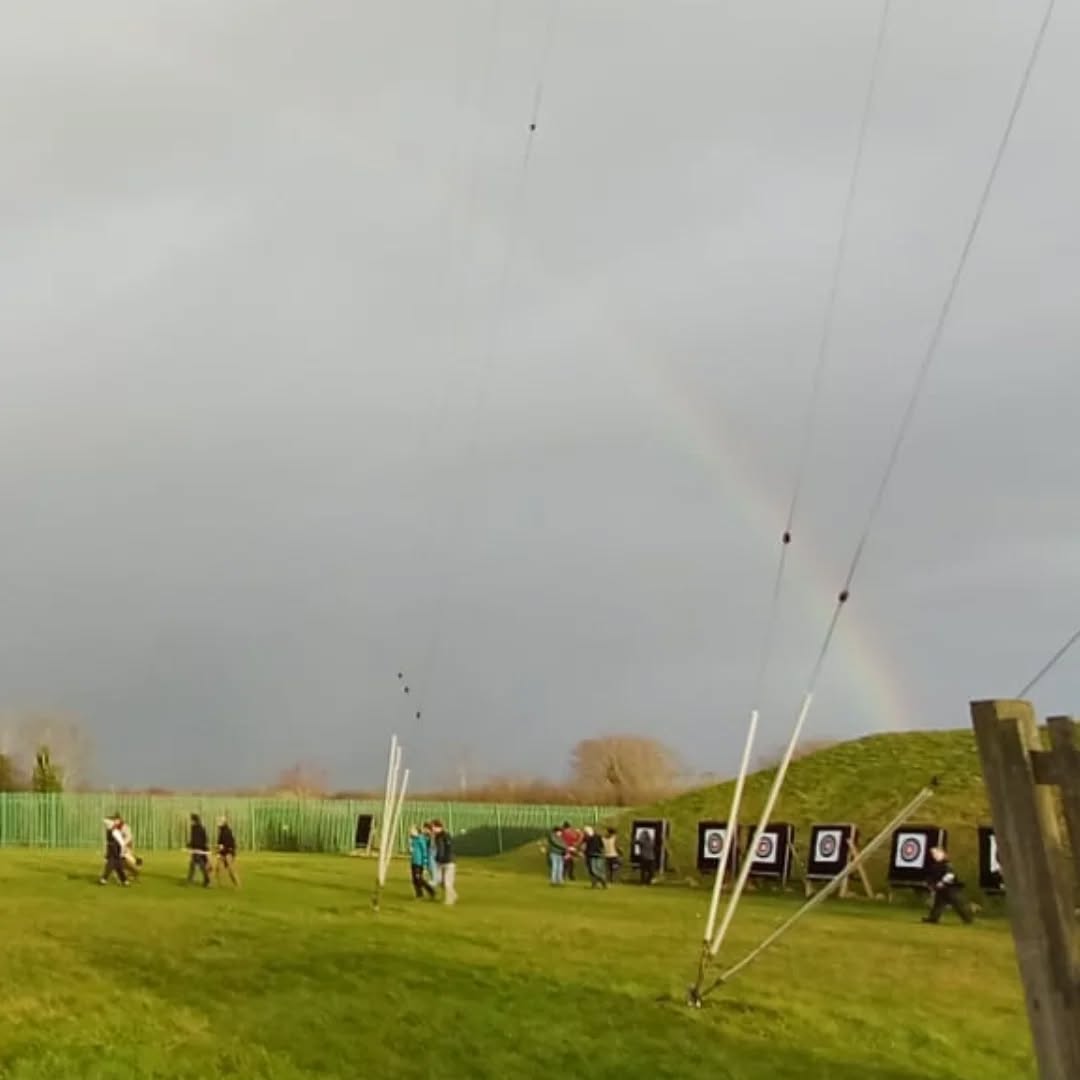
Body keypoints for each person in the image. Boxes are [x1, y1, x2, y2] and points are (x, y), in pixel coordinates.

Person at [923, 846, 973, 924]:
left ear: (942, 854)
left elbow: (950, 875)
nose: (934, 855)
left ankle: (968, 919)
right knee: (938, 904)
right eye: (933, 854)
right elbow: (932, 876)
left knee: (959, 905)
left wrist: (942, 882)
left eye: (936, 853)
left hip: (951, 889)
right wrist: (932, 885)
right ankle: (933, 918)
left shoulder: (947, 863)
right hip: (942, 889)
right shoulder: (935, 865)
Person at [432, 820, 457, 905]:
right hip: (442, 861)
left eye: (433, 827)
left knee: (447, 882)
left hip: (448, 862)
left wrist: (439, 858)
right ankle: (453, 895)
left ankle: (449, 900)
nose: (432, 829)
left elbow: (442, 849)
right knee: (440, 881)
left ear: (438, 827)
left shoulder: (443, 836)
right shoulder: (438, 836)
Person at [99, 816, 129, 886]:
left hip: (116, 850)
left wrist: (122, 852)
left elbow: (122, 843)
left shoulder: (115, 832)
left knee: (110, 865)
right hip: (112, 850)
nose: (106, 825)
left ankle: (104, 879)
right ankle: (125, 881)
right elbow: (104, 820)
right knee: (118, 867)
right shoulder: (109, 830)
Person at [409, 825, 436, 899]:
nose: (410, 831)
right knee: (414, 879)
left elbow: (424, 851)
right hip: (413, 862)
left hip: (419, 863)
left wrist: (424, 864)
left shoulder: (421, 839)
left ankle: (431, 891)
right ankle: (419, 894)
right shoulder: (413, 839)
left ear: (417, 831)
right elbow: (413, 851)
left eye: (412, 830)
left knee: (419, 878)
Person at [186, 813, 211, 887]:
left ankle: (206, 880)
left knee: (199, 866)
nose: (190, 821)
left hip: (198, 849)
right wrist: (190, 844)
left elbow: (197, 839)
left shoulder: (196, 828)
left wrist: (191, 845)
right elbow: (204, 838)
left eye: (191, 820)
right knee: (194, 865)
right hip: (198, 849)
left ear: (194, 820)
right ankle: (191, 881)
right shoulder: (199, 827)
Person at [215, 816, 240, 887]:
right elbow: (220, 842)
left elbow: (230, 844)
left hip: (228, 853)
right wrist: (218, 848)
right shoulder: (221, 832)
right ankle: (219, 884)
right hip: (222, 852)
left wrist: (222, 847)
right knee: (217, 868)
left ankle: (237, 884)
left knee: (230, 870)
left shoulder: (227, 832)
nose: (218, 825)